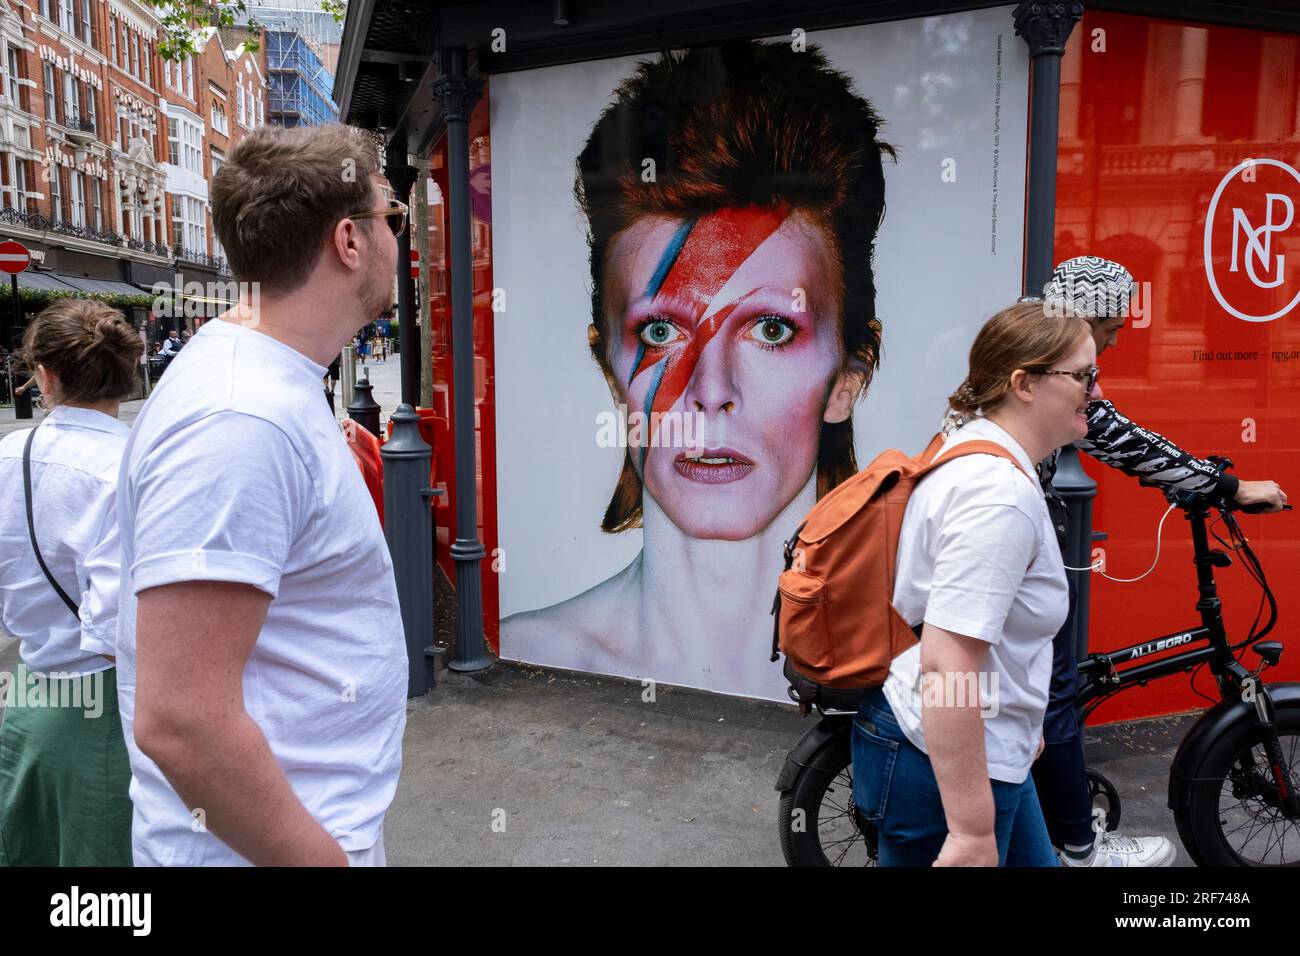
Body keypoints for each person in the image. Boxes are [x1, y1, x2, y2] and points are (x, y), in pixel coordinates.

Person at [502, 39, 894, 698]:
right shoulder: (534, 652)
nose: (710, 394)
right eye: (661, 332)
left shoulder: (908, 669)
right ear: (610, 368)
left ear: (849, 377)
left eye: (772, 329)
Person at [115, 123, 409, 866]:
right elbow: (182, 719)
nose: (397, 240)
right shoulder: (242, 419)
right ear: (349, 240)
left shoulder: (262, 384)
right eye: (393, 217)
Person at [1027, 256, 1287, 866]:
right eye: (1112, 326)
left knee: (1055, 683)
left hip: (1008, 529)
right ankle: (1078, 847)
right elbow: (1115, 435)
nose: (1117, 340)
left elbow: (1119, 436)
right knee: (1057, 689)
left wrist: (1190, 476)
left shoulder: (1033, 342)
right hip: (1009, 541)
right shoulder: (1053, 363)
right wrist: (1228, 487)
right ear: (1084, 316)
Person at [852, 301, 1095, 866]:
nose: (1097, 392)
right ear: (1024, 383)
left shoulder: (982, 453)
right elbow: (949, 666)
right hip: (946, 769)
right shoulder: (997, 496)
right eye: (1083, 375)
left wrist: (1021, 720)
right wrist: (969, 832)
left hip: (982, 751)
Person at [0, 299, 142, 865]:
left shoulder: (7, 456)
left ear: (44, 376)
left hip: (27, 699)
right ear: (129, 377)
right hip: (112, 711)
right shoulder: (134, 466)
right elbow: (120, 626)